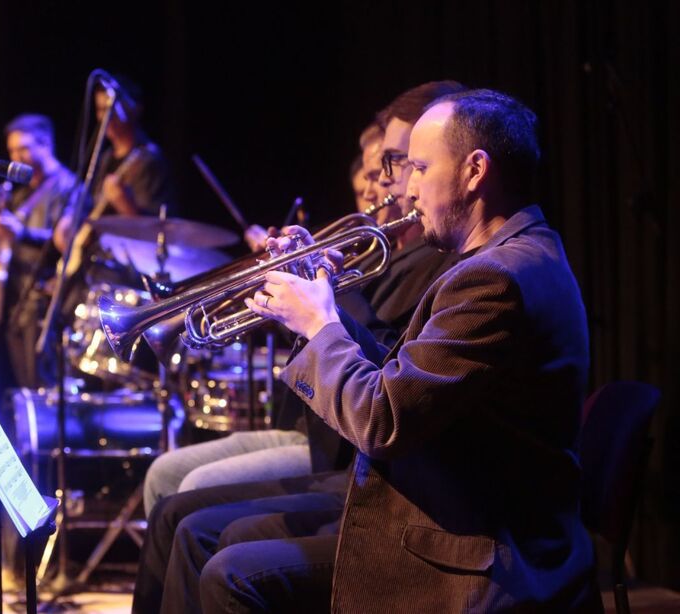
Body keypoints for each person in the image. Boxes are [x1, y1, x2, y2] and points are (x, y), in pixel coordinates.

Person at [196, 88, 598, 612]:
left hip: (481, 554)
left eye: (421, 168)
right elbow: (402, 381)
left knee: (230, 574)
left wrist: (319, 324)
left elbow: (383, 422)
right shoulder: (520, 253)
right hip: (460, 510)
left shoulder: (494, 279)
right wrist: (326, 307)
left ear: (475, 170)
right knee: (225, 546)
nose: (406, 191)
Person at [133, 81, 467, 614]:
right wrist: (307, 302)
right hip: (349, 448)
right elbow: (382, 365)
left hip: (381, 478)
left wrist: (323, 308)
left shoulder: (463, 269)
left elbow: (386, 396)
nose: (392, 183)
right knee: (181, 512)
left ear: (470, 169)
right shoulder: (433, 256)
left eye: (409, 165)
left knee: (204, 532)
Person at [0, 113, 78, 388]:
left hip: (44, 304)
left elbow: (68, 243)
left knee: (41, 388)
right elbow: (7, 240)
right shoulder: (21, 194)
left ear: (45, 143)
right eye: (12, 150)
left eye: (23, 148)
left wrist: (21, 232)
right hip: (15, 301)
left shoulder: (69, 187)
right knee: (24, 392)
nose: (16, 157)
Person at [53, 76, 175, 254]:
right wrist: (71, 220)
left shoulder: (148, 159)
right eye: (101, 109)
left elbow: (155, 233)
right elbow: (90, 207)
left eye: (112, 108)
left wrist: (123, 202)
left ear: (135, 109)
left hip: (133, 262)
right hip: (102, 255)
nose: (106, 117)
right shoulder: (105, 158)